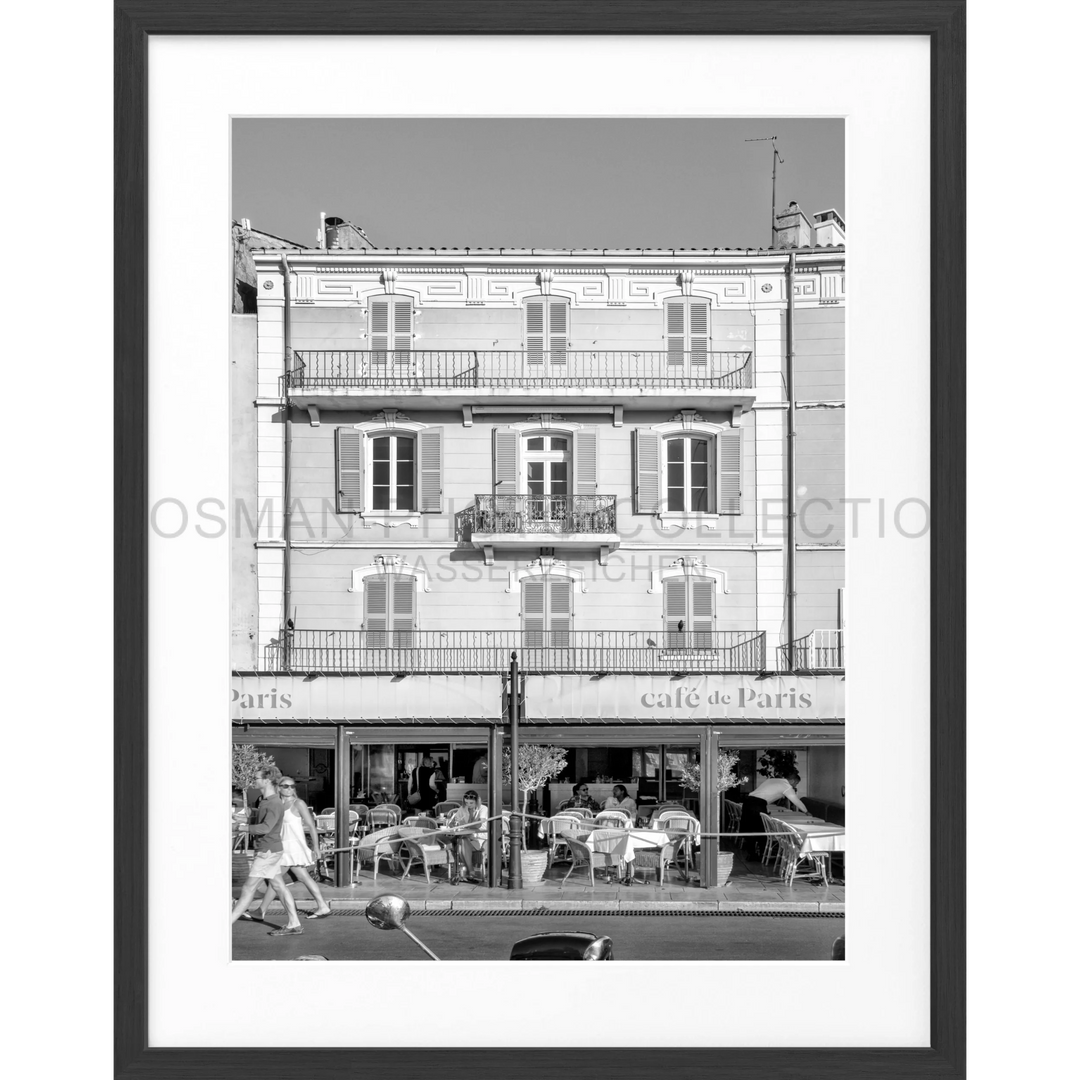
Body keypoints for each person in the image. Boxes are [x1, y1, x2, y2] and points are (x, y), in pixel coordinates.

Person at [230, 767, 304, 935]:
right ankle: (294, 923)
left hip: (267, 851)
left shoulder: (272, 802)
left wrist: (241, 826)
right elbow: (264, 821)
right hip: (271, 849)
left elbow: (265, 827)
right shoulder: (267, 801)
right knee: (278, 886)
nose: (254, 780)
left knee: (249, 888)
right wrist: (244, 819)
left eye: (256, 778)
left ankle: (225, 924)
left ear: (267, 780)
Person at [251, 776, 332, 921]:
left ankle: (261, 911)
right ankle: (323, 906)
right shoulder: (276, 804)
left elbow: (312, 827)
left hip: (293, 847)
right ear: (278, 787)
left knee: (276, 878)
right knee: (298, 877)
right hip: (281, 846)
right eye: (285, 786)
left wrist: (316, 848)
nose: (289, 789)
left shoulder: (298, 803)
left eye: (292, 786)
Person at [740, 771, 810, 861]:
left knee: (750, 829)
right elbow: (795, 800)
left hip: (748, 802)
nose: (795, 786)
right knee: (761, 830)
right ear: (792, 781)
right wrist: (806, 811)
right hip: (757, 804)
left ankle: (752, 854)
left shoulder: (772, 780)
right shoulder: (786, 786)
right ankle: (762, 855)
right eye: (796, 783)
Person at [447, 790, 489, 883]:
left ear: (477, 801)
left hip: (480, 838)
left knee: (460, 843)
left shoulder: (483, 809)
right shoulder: (462, 809)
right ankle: (471, 871)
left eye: (471, 803)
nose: (469, 805)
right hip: (466, 836)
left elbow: (479, 824)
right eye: (466, 802)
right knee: (461, 841)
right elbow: (453, 822)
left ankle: (466, 871)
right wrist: (454, 823)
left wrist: (464, 825)